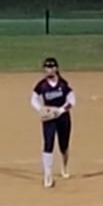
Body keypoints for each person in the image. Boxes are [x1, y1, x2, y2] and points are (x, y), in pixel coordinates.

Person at [31, 56, 75, 188]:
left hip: (63, 117)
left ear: (56, 68)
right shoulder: (41, 85)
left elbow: (72, 101)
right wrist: (41, 109)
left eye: (51, 67)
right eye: (46, 67)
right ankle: (48, 175)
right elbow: (33, 99)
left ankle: (64, 166)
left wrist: (60, 111)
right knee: (48, 143)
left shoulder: (63, 84)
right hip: (49, 118)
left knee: (63, 145)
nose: (48, 70)